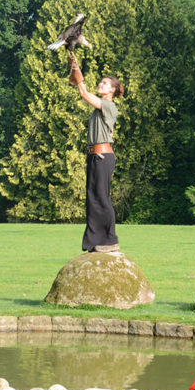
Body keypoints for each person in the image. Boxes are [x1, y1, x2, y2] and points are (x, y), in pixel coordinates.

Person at [68, 54, 124, 253]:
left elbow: (84, 94)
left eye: (105, 83)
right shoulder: (99, 108)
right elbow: (78, 86)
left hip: (103, 157)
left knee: (101, 197)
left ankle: (111, 239)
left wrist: (78, 72)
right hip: (94, 157)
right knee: (92, 199)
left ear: (113, 90)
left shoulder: (110, 106)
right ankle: (95, 242)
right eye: (101, 82)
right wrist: (74, 70)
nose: (101, 84)